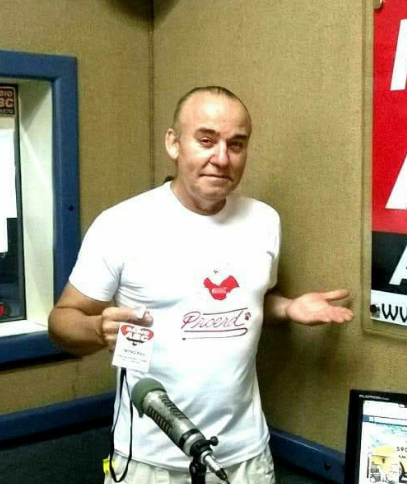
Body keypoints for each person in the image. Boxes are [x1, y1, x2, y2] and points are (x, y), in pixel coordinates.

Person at [48, 86, 353, 484]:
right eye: (206, 140)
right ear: (173, 143)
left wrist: (288, 308)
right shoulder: (122, 225)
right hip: (150, 462)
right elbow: (62, 320)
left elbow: (245, 302)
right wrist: (95, 329)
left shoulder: (264, 221)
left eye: (236, 144)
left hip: (246, 459)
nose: (222, 158)